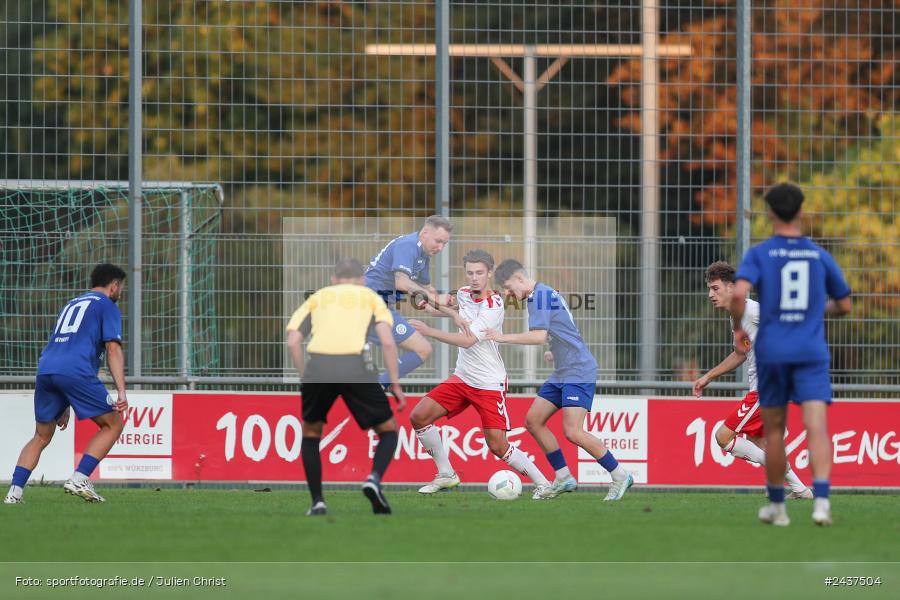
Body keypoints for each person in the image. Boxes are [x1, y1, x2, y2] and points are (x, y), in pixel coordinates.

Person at [730, 183, 851, 527]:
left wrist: (740, 327)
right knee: (816, 426)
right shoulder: (819, 255)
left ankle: (778, 507)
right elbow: (844, 304)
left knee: (773, 430)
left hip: (774, 352)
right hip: (810, 352)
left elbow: (739, 293)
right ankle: (822, 503)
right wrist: (816, 309)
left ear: (769, 213)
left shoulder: (760, 254)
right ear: (800, 212)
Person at [407, 250, 552, 498]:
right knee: (419, 417)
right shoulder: (463, 293)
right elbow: (447, 307)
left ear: (489, 274)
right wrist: (426, 303)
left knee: (497, 445)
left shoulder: (494, 305)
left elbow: (467, 341)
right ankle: (446, 474)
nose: (474, 278)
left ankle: (544, 483)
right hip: (462, 377)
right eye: (470, 273)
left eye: (480, 273)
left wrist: (428, 331)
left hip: (488, 383)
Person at [486, 260, 633, 502]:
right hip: (563, 371)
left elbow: (538, 336)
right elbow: (565, 327)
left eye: (509, 287)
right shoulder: (544, 293)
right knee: (533, 421)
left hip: (578, 371)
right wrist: (555, 350)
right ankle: (564, 477)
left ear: (520, 279)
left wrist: (502, 337)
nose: (508, 294)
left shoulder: (539, 297)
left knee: (572, 431)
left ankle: (620, 475)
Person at [286, 259, 407, 516]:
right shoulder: (369, 297)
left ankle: (318, 501)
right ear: (362, 280)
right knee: (388, 429)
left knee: (311, 434)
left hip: (319, 366)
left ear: (334, 280)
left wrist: (305, 375)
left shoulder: (318, 297)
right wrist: (395, 383)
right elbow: (387, 342)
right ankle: (374, 479)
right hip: (355, 366)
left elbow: (294, 341)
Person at [5, 263, 129, 504]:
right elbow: (113, 349)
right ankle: (80, 477)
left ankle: (14, 493)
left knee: (40, 436)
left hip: (47, 368)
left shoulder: (71, 304)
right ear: (114, 286)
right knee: (113, 425)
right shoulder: (107, 306)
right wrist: (122, 391)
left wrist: (64, 403)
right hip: (75, 370)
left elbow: (68, 344)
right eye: (121, 287)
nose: (120, 292)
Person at [693, 261, 811, 499]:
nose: (710, 294)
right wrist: (709, 376)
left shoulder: (752, 310)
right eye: (709, 289)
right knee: (759, 443)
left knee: (723, 437)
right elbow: (740, 353)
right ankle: (800, 489)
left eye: (715, 288)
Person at [364, 215, 465, 389]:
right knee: (422, 349)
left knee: (422, 349)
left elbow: (428, 292)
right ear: (425, 233)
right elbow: (402, 282)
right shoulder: (408, 245)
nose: (441, 248)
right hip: (370, 305)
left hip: (380, 307)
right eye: (438, 241)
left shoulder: (423, 255)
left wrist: (454, 305)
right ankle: (376, 389)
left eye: (445, 244)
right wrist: (436, 301)